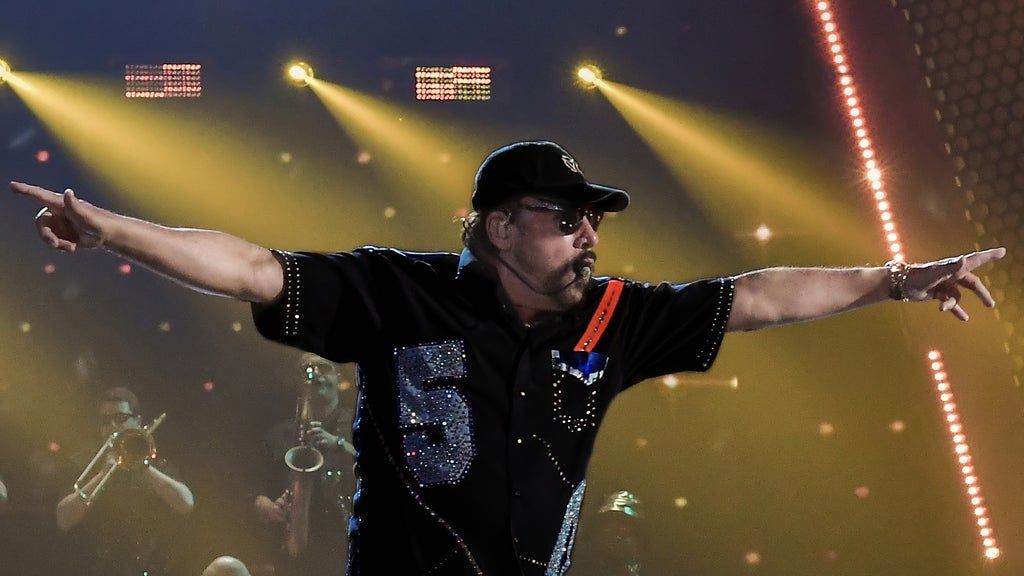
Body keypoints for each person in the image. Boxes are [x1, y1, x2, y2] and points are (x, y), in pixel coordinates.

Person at [11, 140, 1005, 575]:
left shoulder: (614, 317)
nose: (589, 236)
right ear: (498, 226)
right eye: (566, 218)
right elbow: (249, 268)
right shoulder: (397, 293)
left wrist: (896, 279)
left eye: (594, 220)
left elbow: (756, 298)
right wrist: (113, 231)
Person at [55, 387, 194, 576]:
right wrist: (102, 474)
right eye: (105, 421)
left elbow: (186, 503)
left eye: (120, 418)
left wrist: (142, 466)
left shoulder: (156, 465)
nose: (112, 426)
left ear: (138, 421)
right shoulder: (82, 462)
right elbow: (63, 519)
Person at [252, 353, 356, 576]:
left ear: (339, 377)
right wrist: (263, 503)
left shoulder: (359, 423)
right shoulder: (278, 434)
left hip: (344, 542)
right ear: (300, 380)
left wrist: (339, 445)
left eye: (323, 368)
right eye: (308, 368)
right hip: (293, 549)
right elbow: (253, 482)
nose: (315, 374)